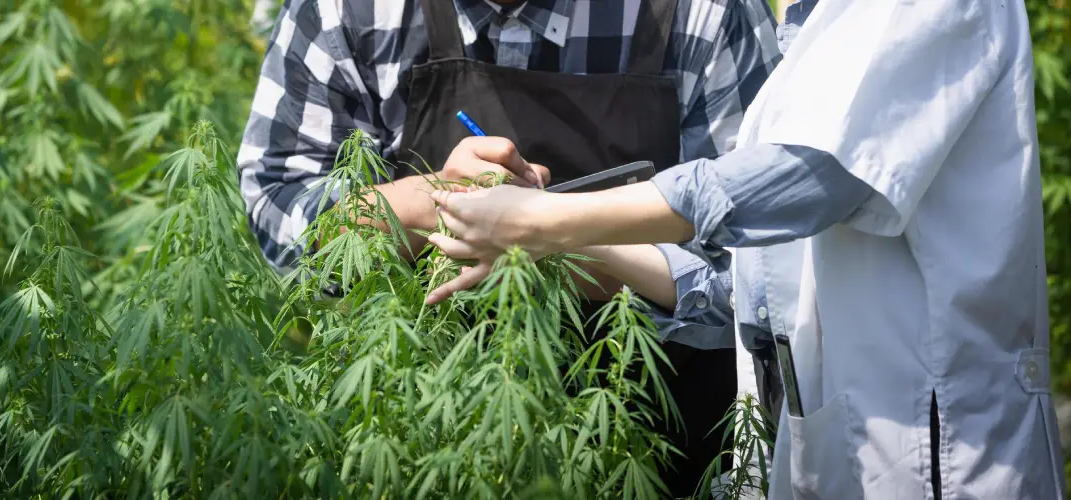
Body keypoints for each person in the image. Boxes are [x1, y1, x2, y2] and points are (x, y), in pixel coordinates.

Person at [423, 0, 1068, 498]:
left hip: (942, 455)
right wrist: (551, 243)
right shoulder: (816, 29)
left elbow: (808, 181)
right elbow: (742, 281)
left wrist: (551, 221)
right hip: (843, 450)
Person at [236, 0, 782, 495]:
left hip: (652, 447)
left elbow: (765, 270)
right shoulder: (348, 13)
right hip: (423, 445)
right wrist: (432, 201)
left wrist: (553, 235)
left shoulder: (700, 13)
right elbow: (279, 212)